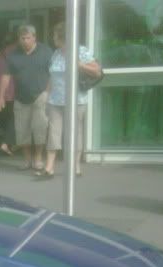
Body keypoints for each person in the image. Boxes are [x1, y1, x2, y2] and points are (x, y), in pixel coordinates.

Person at [37, 22, 102, 179]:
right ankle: (49, 167)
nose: (53, 38)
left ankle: (75, 167)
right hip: (55, 100)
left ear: (62, 37)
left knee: (75, 134)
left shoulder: (81, 51)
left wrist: (79, 64)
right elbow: (52, 76)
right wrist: (46, 94)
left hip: (75, 100)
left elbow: (97, 71)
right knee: (53, 133)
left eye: (55, 35)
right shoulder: (56, 54)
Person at [0, 24, 53, 173]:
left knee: (40, 129)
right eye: (22, 38)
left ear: (34, 37)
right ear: (18, 39)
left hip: (41, 96)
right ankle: (27, 160)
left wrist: (47, 92)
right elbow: (6, 76)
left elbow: (54, 73)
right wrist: (0, 96)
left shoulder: (46, 52)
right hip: (20, 98)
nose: (25, 41)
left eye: (28, 38)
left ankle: (38, 159)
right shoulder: (13, 55)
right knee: (22, 132)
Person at [0, 33, 17, 156]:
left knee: (6, 118)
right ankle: (6, 143)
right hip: (12, 90)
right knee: (14, 118)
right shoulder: (15, 52)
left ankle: (9, 142)